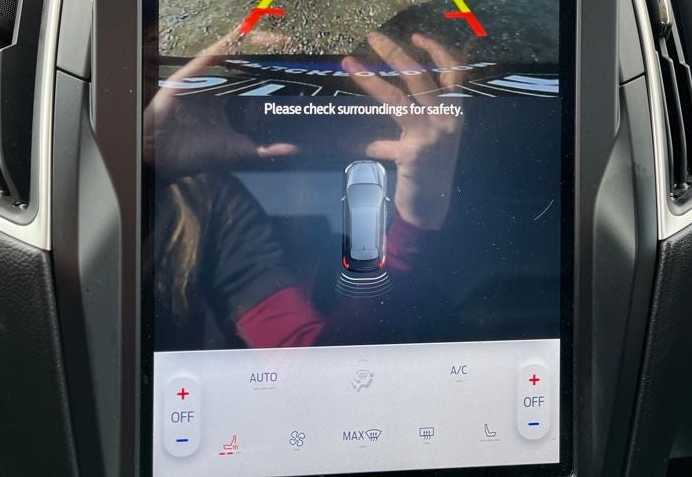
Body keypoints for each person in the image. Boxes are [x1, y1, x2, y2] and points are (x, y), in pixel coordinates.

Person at [146, 26, 465, 350]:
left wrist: (417, 217)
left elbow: (313, 362)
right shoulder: (201, 204)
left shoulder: (212, 208)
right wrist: (145, 169)